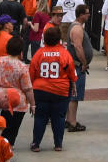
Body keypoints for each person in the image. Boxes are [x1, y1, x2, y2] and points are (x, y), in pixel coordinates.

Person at [27, 23, 76, 152]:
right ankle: (58, 144)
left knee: (40, 117)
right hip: (60, 90)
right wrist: (74, 83)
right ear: (59, 38)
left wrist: (30, 90)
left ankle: (36, 144)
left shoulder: (38, 54)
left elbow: (31, 73)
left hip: (41, 90)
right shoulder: (64, 54)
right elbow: (71, 71)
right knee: (59, 117)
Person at [0, 34, 35, 146]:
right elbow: (28, 89)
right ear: (20, 51)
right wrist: (32, 104)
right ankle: (6, 156)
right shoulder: (22, 67)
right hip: (16, 104)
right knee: (11, 133)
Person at [65, 3, 92, 132]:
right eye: (87, 13)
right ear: (81, 15)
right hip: (77, 66)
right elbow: (78, 47)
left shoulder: (77, 26)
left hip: (76, 65)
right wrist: (84, 63)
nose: (89, 15)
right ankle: (72, 122)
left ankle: (68, 119)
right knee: (74, 96)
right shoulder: (77, 29)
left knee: (72, 95)